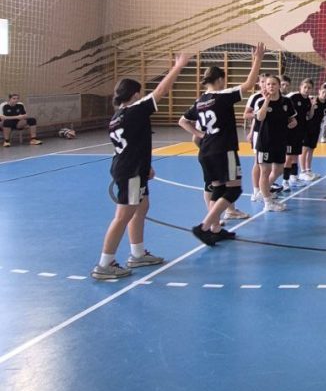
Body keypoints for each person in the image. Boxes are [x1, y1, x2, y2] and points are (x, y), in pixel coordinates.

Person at [92, 53, 192, 280]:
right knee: (123, 216)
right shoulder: (135, 110)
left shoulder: (117, 116)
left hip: (130, 166)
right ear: (136, 94)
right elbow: (161, 91)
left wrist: (145, 166)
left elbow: (132, 143)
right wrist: (178, 66)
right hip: (130, 172)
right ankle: (105, 264)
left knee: (142, 206)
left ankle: (137, 254)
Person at [178, 43, 265, 247]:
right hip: (223, 149)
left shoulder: (200, 101)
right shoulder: (222, 96)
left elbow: (182, 121)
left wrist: (200, 134)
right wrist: (258, 59)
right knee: (233, 190)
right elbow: (249, 83)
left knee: (218, 189)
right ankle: (204, 226)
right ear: (219, 80)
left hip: (206, 150)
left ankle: (215, 229)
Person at [252, 75, 298, 208]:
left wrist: (294, 122)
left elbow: (292, 118)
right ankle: (268, 202)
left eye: (273, 84)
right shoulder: (261, 102)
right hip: (265, 142)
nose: (271, 86)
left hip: (280, 141)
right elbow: (260, 118)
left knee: (279, 170)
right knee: (265, 171)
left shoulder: (286, 102)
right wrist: (267, 101)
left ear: (279, 86)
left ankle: (263, 191)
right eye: (268, 84)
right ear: (265, 86)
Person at [301, 82, 326, 178]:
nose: (324, 94)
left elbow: (324, 117)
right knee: (304, 149)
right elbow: (308, 114)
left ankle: (308, 170)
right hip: (306, 128)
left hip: (316, 129)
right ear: (319, 91)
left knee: (311, 149)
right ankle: (303, 171)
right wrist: (312, 106)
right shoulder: (312, 100)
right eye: (323, 92)